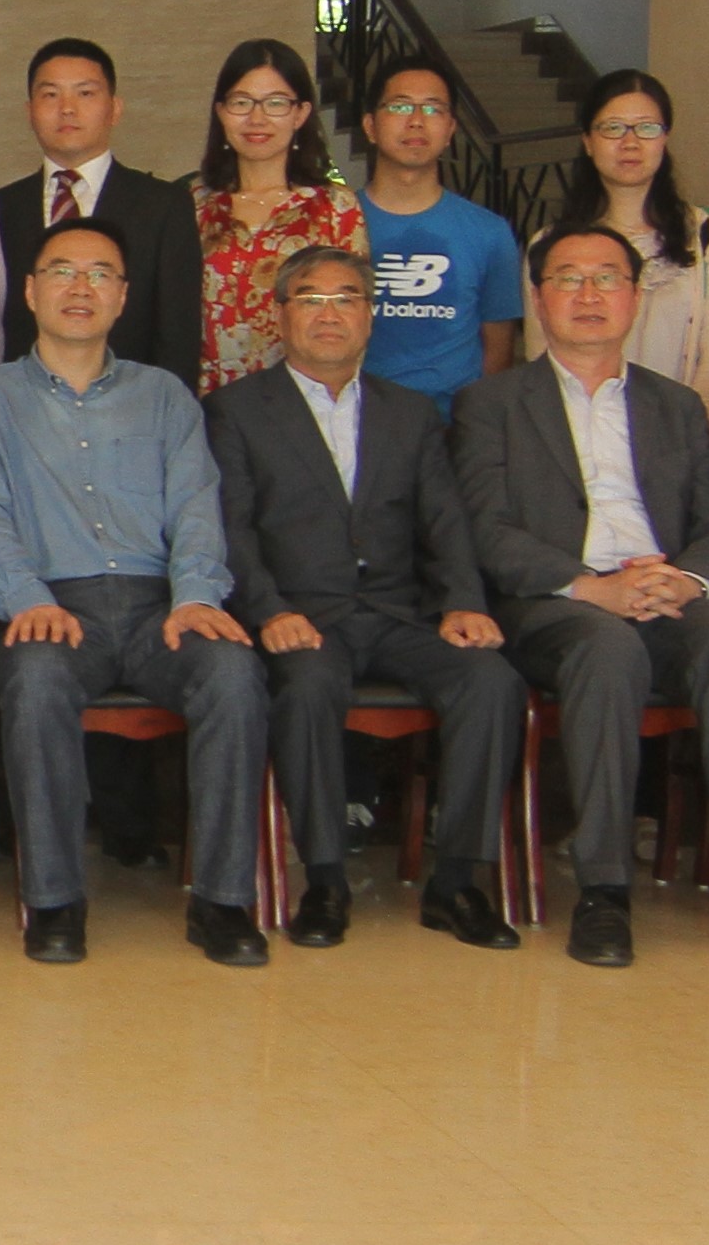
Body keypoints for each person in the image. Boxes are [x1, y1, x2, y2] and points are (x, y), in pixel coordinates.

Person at [451, 225, 709, 971]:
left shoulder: (676, 405)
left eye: (608, 278)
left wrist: (687, 580)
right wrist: (591, 587)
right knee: (605, 647)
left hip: (665, 591)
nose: (589, 295)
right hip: (556, 602)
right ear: (538, 297)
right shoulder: (490, 402)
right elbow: (488, 530)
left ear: (636, 298)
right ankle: (604, 890)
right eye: (568, 278)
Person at [0, 215, 268, 967]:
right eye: (62, 270)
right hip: (54, 604)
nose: (80, 287)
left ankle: (222, 901)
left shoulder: (165, 397)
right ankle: (54, 900)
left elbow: (197, 507)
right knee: (35, 678)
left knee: (233, 674)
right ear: (30, 291)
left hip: (163, 606)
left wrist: (197, 596)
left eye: (100, 274)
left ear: (123, 297)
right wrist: (26, 599)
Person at [205, 243, 527, 954]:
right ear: (280, 316)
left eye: (346, 298)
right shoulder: (235, 410)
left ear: (370, 316)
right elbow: (229, 530)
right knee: (308, 686)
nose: (329, 314)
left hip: (397, 613)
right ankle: (324, 881)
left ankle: (457, 883)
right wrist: (268, 611)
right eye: (311, 299)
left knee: (492, 682)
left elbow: (445, 520)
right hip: (300, 617)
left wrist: (463, 602)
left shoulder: (409, 412)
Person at [0, 36, 204, 387]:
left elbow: (178, 334)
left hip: (131, 403)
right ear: (29, 111)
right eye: (50, 95)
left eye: (85, 93)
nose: (67, 108)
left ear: (115, 109)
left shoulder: (164, 206)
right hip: (21, 405)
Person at [550, 70, 709, 399]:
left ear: (664, 139)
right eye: (613, 128)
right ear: (587, 141)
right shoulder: (552, 244)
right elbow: (543, 361)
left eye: (647, 128)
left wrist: (688, 427)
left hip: (685, 424)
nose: (630, 143)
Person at [343, 54, 522, 412]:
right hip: (353, 419)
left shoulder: (490, 233)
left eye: (432, 109)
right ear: (370, 126)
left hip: (453, 427)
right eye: (400, 106)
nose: (416, 121)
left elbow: (498, 350)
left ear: (451, 129)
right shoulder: (336, 224)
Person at [191, 37, 365, 389]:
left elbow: (353, 315)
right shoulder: (192, 203)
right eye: (242, 102)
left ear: (300, 113)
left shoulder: (335, 207)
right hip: (205, 400)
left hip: (301, 400)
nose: (257, 118)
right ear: (221, 111)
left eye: (275, 103)